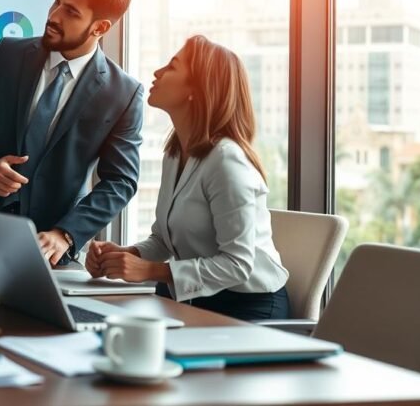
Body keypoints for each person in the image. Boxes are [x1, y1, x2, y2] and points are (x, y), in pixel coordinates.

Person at [0, 0, 143, 267]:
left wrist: (66, 234)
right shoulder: (8, 55)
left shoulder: (123, 93)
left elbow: (121, 181)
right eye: (57, 2)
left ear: (100, 27)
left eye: (71, 12)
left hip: (53, 249)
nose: (54, 16)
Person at [85, 35, 290, 320]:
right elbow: (163, 240)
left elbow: (238, 264)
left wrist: (153, 271)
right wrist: (124, 256)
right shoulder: (176, 153)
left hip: (247, 308)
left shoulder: (227, 162)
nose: (158, 73)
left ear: (196, 89)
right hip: (196, 299)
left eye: (171, 67)